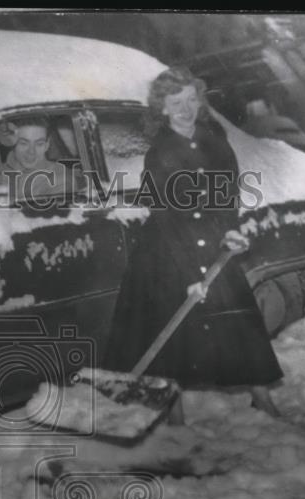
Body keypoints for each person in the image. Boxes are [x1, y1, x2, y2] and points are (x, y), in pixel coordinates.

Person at [104, 67, 283, 418]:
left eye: (190, 100)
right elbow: (167, 217)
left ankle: (262, 398)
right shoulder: (159, 153)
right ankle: (174, 419)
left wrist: (230, 229)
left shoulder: (214, 138)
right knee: (172, 339)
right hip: (169, 253)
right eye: (176, 103)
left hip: (215, 244)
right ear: (163, 109)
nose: (185, 109)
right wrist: (189, 274)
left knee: (240, 324)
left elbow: (227, 193)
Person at [0, 117, 79, 199]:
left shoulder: (61, 178)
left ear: (47, 145)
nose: (31, 151)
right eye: (23, 143)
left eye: (39, 144)